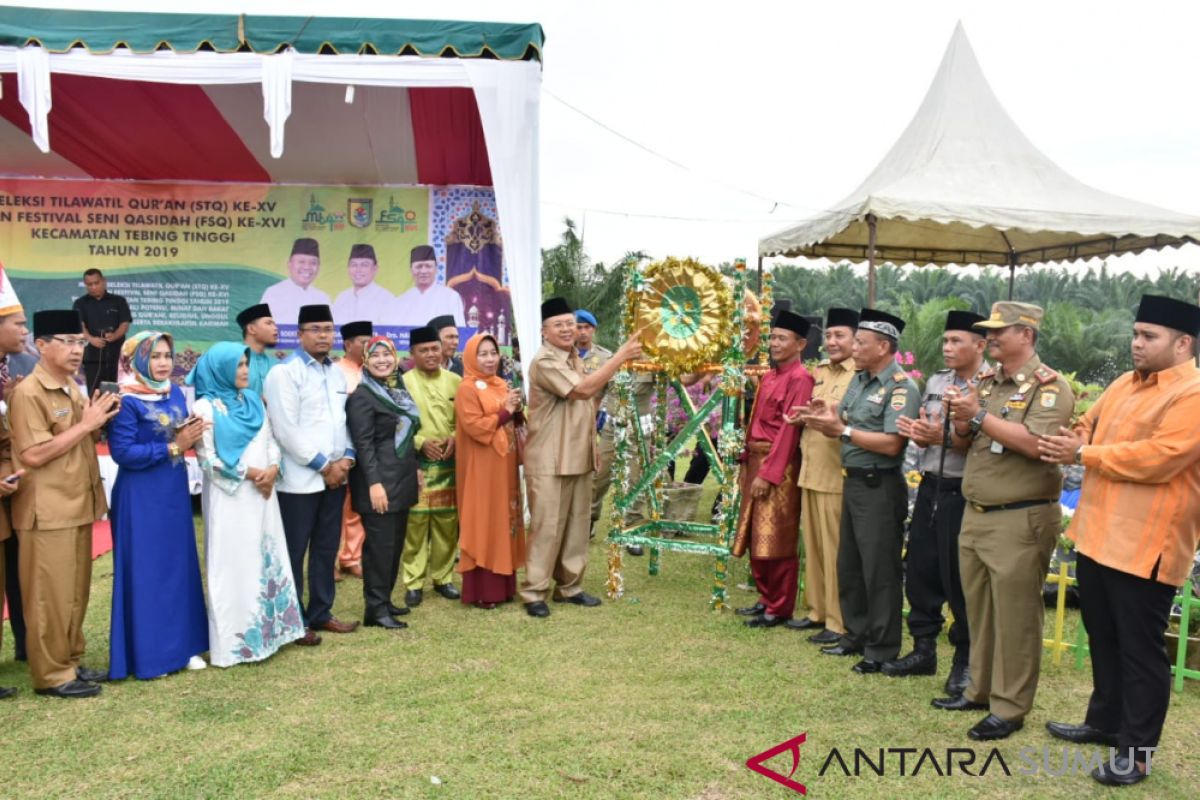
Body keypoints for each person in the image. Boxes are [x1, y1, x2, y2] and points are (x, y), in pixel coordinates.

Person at [1037, 295, 1200, 786]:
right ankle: (1104, 723)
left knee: (1140, 652)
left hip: (1147, 544)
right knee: (1104, 639)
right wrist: (1075, 434)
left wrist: (1084, 451)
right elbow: (1090, 424)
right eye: (1135, 334)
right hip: (1097, 535)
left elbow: (1163, 457)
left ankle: (1138, 753)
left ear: (1183, 343)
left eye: (1149, 336)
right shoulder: (1124, 383)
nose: (1136, 344)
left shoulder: (1192, 392)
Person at [933, 302, 1074, 743]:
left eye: (1000, 331)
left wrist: (976, 415)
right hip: (977, 513)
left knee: (1015, 617)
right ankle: (979, 691)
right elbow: (965, 441)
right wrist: (960, 420)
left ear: (1026, 335)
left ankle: (1010, 709)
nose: (990, 338)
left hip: (1020, 517)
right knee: (980, 610)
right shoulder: (986, 382)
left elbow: (1035, 444)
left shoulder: (1049, 388)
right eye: (988, 331)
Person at [799, 308, 919, 674]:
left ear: (884, 347)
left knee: (879, 570)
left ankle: (880, 649)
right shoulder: (862, 379)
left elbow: (892, 443)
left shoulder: (900, 387)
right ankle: (855, 633)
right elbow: (849, 415)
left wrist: (844, 432)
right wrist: (828, 411)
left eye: (861, 343)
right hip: (852, 480)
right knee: (849, 564)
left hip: (878, 486)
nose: (855, 348)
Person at [9, 310, 119, 698]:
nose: (77, 349)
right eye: (68, 341)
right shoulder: (29, 392)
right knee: (47, 596)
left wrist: (97, 419)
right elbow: (34, 454)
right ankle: (51, 674)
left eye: (80, 341)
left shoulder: (71, 385)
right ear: (41, 345)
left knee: (74, 592)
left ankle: (69, 659)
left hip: (76, 503)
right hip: (46, 509)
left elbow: (77, 440)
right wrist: (87, 425)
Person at [520, 297, 642, 618]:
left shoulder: (575, 358)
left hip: (578, 454)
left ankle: (569, 587)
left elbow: (590, 408)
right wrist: (621, 356)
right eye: (558, 324)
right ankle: (535, 592)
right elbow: (583, 390)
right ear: (544, 331)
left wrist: (592, 448)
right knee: (547, 527)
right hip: (548, 457)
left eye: (570, 323)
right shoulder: (545, 361)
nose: (566, 329)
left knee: (577, 525)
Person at [884, 310, 986, 691]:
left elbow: (969, 438)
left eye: (956, 341)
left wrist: (934, 436)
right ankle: (923, 649)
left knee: (958, 578)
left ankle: (964, 661)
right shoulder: (939, 380)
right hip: (930, 483)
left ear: (980, 345)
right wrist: (919, 433)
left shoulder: (987, 385)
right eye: (945, 341)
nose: (947, 347)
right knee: (922, 569)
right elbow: (930, 429)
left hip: (963, 490)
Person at [189, 342, 306, 667]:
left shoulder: (253, 399)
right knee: (234, 563)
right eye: (238, 365)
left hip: (263, 496)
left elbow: (271, 440)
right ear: (220, 369)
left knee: (265, 555)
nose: (244, 371)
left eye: (246, 364)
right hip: (232, 498)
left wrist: (271, 471)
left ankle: (273, 632)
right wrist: (254, 473)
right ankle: (236, 643)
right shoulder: (204, 408)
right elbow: (208, 460)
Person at [106, 332, 210, 680]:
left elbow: (178, 436)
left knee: (178, 567)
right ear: (137, 360)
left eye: (167, 355)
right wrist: (174, 447)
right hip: (141, 496)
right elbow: (123, 453)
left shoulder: (175, 392)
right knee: (148, 572)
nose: (164, 363)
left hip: (173, 490)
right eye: (155, 357)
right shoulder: (128, 400)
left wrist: (192, 432)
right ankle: (153, 656)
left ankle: (186, 646)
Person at [263, 304, 359, 644]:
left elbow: (343, 421)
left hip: (335, 478)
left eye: (328, 330)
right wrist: (323, 465)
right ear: (300, 334)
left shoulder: (335, 372)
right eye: (316, 329)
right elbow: (286, 429)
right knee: (294, 551)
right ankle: (292, 621)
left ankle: (320, 613)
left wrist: (346, 458)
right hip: (299, 482)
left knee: (325, 548)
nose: (323, 336)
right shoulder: (284, 373)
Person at [732, 310, 814, 628]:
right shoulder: (769, 375)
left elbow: (790, 432)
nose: (775, 343)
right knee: (755, 532)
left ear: (800, 343)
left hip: (779, 465)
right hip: (755, 459)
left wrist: (769, 474)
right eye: (773, 337)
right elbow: (753, 421)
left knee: (777, 535)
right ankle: (765, 598)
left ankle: (780, 607)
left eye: (782, 338)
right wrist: (744, 461)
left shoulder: (801, 379)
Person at [785, 307, 858, 643]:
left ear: (858, 339)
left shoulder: (859, 375)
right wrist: (803, 415)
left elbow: (854, 421)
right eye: (828, 335)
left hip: (836, 473)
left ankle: (837, 619)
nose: (831, 341)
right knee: (812, 545)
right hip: (811, 468)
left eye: (839, 335)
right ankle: (815, 610)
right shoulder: (821, 371)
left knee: (834, 549)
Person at [347, 336, 421, 628]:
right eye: (375, 356)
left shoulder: (396, 390)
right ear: (365, 360)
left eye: (386, 355)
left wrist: (415, 470)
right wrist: (374, 484)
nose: (382, 361)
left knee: (394, 545)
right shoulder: (362, 396)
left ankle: (386, 600)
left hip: (401, 478)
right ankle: (375, 610)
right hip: (379, 482)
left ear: (395, 357)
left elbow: (407, 436)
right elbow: (363, 445)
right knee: (379, 547)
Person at [455, 333, 527, 608]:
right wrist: (506, 411)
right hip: (481, 465)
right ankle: (484, 590)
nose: (489, 359)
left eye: (493, 353)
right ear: (472, 357)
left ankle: (505, 585)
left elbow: (510, 419)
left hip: (504, 464)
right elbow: (474, 426)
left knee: (503, 518)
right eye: (482, 353)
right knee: (484, 519)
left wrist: (516, 409)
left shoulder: (500, 384)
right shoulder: (467, 388)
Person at [401, 326, 463, 606]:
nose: (430, 354)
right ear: (412, 353)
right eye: (423, 350)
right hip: (417, 464)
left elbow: (466, 420)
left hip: (450, 463)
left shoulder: (455, 381)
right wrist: (419, 442)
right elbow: (397, 424)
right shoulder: (402, 383)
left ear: (442, 350)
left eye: (434, 349)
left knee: (447, 524)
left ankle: (443, 578)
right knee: (415, 524)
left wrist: (455, 437)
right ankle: (413, 582)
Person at [0, 269, 33, 671]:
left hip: (14, 491)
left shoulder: (12, 369)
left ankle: (26, 644)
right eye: (18, 324)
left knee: (19, 573)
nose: (24, 331)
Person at [335, 320, 373, 580]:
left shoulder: (372, 370)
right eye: (363, 342)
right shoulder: (336, 371)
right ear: (348, 345)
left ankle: (352, 556)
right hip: (340, 446)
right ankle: (332, 559)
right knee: (335, 506)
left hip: (366, 447)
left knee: (357, 505)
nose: (368, 347)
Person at [73, 268, 132, 397]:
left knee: (117, 394)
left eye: (96, 283)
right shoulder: (80, 303)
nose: (93, 287)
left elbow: (125, 324)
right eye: (89, 285)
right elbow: (80, 326)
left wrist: (115, 335)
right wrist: (91, 339)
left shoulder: (119, 301)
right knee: (94, 393)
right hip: (92, 357)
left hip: (116, 357)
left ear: (104, 281)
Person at [260, 238, 331, 327]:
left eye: (313, 263)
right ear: (289, 264)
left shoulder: (323, 298)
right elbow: (262, 328)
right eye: (301, 262)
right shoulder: (273, 293)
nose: (307, 267)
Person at [392, 245, 465, 327]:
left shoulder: (451, 297)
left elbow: (460, 331)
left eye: (428, 266)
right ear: (411, 270)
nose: (423, 271)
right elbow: (395, 332)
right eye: (419, 266)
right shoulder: (401, 300)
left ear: (436, 269)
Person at [332, 244, 395, 327]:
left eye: (364, 265)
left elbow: (390, 334)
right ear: (348, 268)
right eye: (354, 265)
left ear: (375, 269)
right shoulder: (341, 298)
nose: (358, 270)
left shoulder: (387, 299)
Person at [237, 303, 277, 396]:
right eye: (268, 323)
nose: (275, 328)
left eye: (274, 324)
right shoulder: (233, 362)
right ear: (251, 329)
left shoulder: (278, 364)